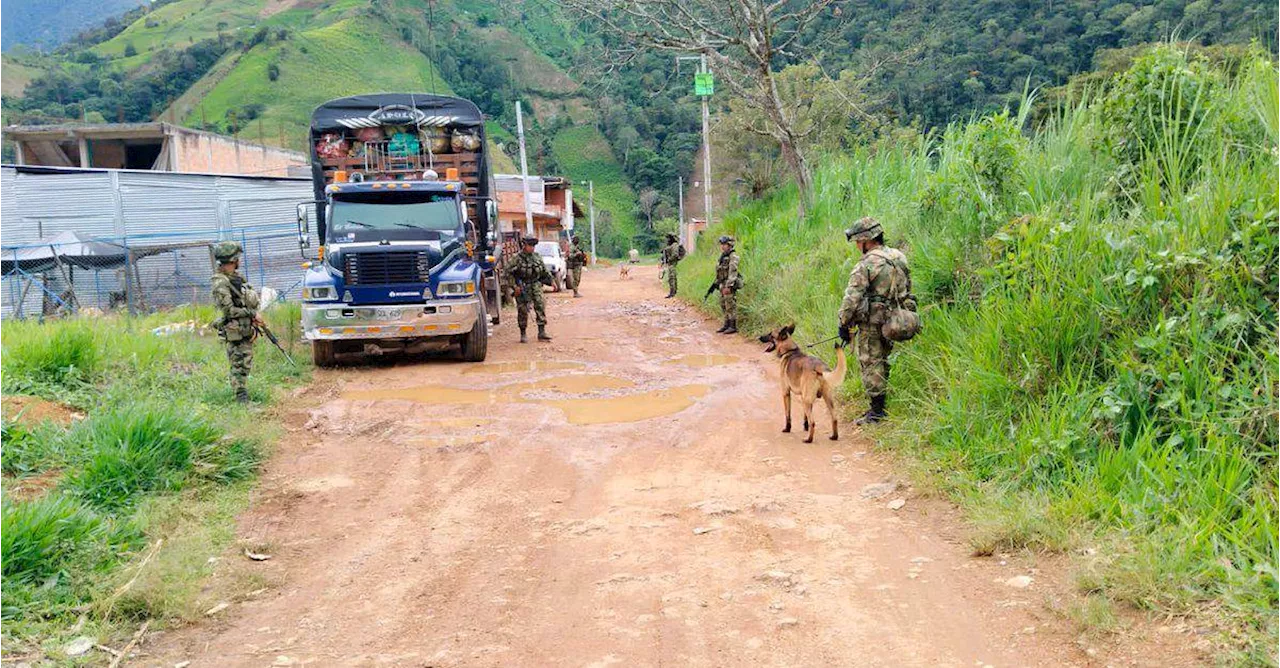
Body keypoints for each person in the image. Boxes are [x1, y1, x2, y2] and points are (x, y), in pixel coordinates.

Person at [836, 217, 915, 425]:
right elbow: (907, 289)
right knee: (883, 360)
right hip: (894, 320)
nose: (856, 246)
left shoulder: (866, 264)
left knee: (871, 363)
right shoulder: (898, 256)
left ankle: (877, 412)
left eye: (856, 242)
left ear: (865, 240)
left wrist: (843, 323)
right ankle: (879, 406)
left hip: (872, 322)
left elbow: (851, 298)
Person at [210, 241, 262, 403]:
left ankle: (242, 395)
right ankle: (241, 399)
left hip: (245, 327)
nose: (239, 261)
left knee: (245, 362)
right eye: (237, 258)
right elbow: (229, 311)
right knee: (238, 363)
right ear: (232, 260)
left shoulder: (237, 278)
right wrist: (253, 313)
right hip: (234, 330)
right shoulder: (221, 283)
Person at [509, 235, 553, 343]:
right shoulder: (516, 258)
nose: (532, 248)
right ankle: (523, 333)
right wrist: (515, 287)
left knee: (540, 306)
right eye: (530, 245)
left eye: (533, 245)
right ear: (524, 245)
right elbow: (507, 274)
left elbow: (544, 271)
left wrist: (551, 282)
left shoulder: (537, 257)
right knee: (523, 310)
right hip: (522, 286)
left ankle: (541, 332)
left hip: (536, 285)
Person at [714, 235, 741, 335]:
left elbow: (733, 272)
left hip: (728, 284)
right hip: (722, 283)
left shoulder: (733, 256)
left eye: (724, 244)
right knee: (723, 304)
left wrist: (729, 286)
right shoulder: (723, 256)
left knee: (730, 305)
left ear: (730, 245)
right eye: (722, 245)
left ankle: (732, 326)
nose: (722, 247)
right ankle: (726, 324)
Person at [660, 232, 685, 299]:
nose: (667, 240)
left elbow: (675, 255)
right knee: (671, 278)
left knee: (672, 278)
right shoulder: (671, 245)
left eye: (668, 238)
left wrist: (669, 259)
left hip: (672, 264)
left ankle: (672, 292)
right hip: (671, 264)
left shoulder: (674, 245)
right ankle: (673, 292)